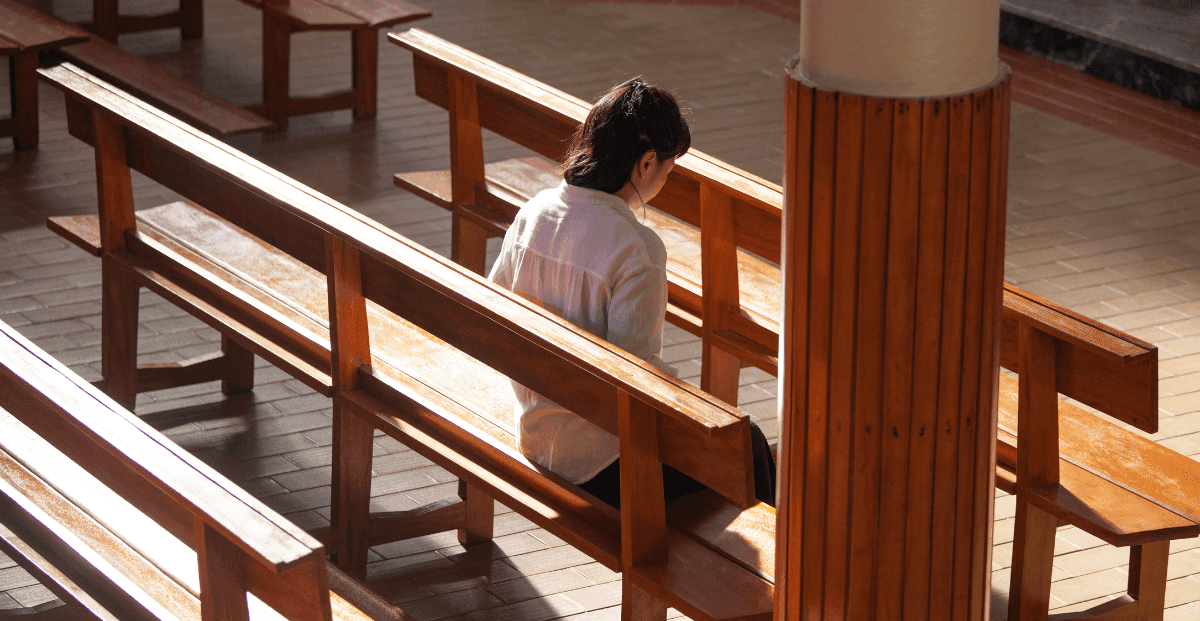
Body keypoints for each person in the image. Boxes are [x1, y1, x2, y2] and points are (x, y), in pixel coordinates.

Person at [488, 77, 775, 508]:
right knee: (746, 445)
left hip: (535, 427)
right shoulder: (636, 248)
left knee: (747, 446)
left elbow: (495, 302)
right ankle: (769, 573)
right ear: (645, 164)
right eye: (668, 168)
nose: (666, 177)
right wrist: (705, 408)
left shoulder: (537, 211)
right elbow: (635, 379)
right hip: (601, 462)